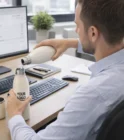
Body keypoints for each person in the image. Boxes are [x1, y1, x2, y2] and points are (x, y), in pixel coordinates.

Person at [7, 0, 124, 140]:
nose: (76, 31)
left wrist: (15, 116)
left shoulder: (94, 94)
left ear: (93, 32)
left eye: (77, 25)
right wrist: (69, 43)